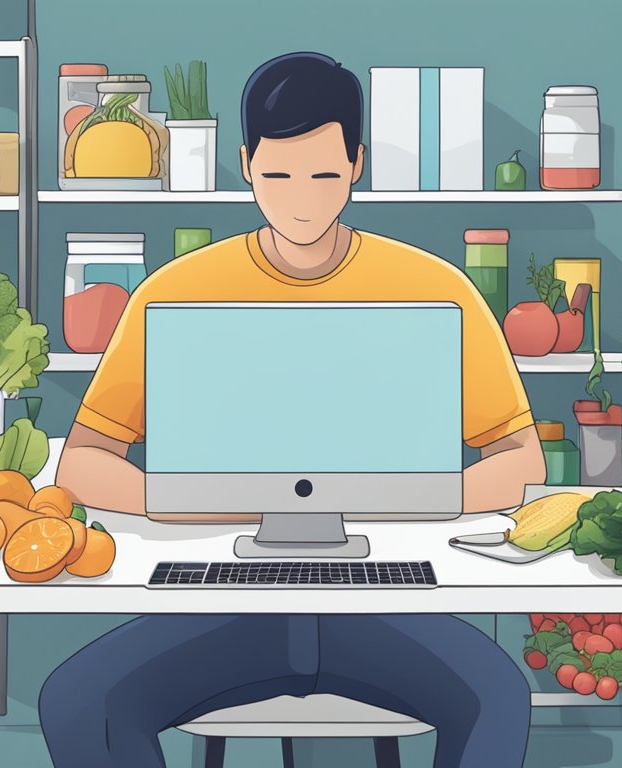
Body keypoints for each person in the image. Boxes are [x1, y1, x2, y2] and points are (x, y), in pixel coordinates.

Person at [41, 52, 545, 768]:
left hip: (381, 607)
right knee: (75, 702)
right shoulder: (176, 291)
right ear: (245, 164)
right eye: (277, 176)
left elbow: (520, 464)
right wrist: (195, 499)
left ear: (357, 164)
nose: (301, 201)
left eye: (322, 175)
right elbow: (84, 463)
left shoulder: (437, 289)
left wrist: (407, 496)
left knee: (498, 696)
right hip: (224, 608)